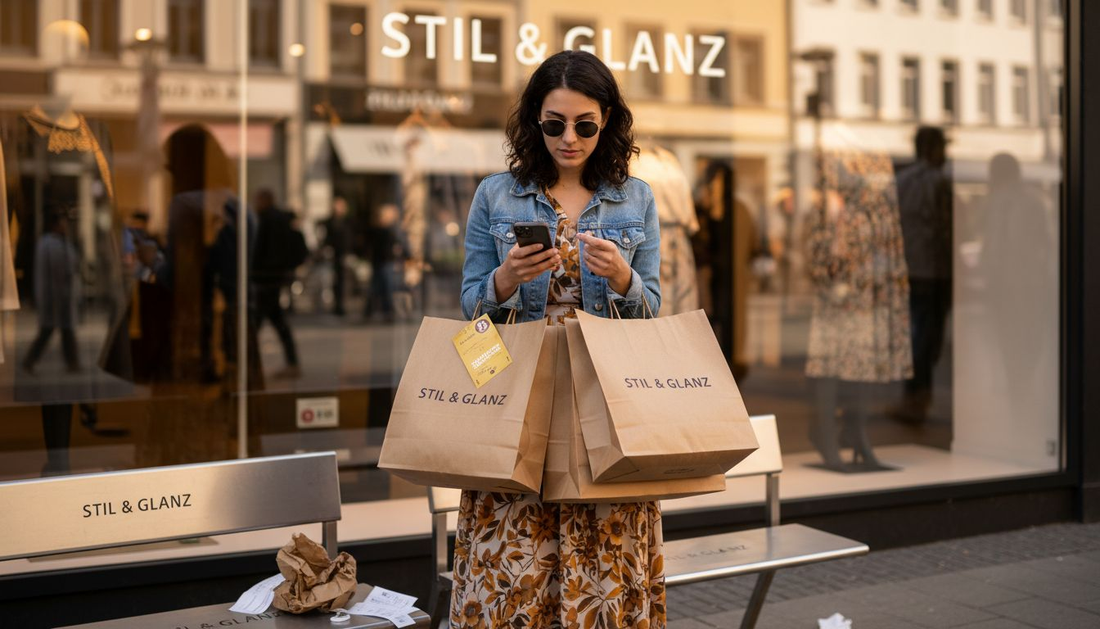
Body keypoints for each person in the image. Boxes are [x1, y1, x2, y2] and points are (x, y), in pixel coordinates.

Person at [455, 50, 662, 627]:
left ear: (607, 122)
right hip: (518, 395)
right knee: (513, 548)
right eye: (553, 124)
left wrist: (624, 278)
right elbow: (470, 303)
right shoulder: (497, 194)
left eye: (585, 125)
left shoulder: (635, 197)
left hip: (603, 396)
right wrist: (505, 280)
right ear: (533, 122)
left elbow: (653, 315)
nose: (569, 138)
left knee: (604, 545)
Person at [894, 126, 953, 424]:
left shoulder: (902, 181)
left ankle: (912, 398)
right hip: (934, 271)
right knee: (927, 338)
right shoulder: (938, 182)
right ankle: (919, 398)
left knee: (913, 336)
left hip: (909, 270)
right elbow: (945, 230)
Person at [251, 188, 304, 378]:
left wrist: (260, 273)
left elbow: (268, 251)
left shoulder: (269, 219)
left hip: (267, 278)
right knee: (276, 321)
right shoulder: (277, 219)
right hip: (272, 277)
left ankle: (247, 365)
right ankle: (292, 362)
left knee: (257, 323)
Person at [22, 210, 80, 374]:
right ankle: (30, 360)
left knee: (66, 331)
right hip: (51, 296)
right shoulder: (47, 244)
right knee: (48, 330)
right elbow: (47, 273)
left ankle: (72, 362)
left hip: (64, 296)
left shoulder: (63, 243)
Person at [320, 196, 352, 316]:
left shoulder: (348, 222)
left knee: (344, 281)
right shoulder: (328, 222)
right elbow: (325, 238)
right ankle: (336, 305)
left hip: (344, 255)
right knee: (333, 281)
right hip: (333, 256)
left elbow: (351, 238)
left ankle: (342, 304)